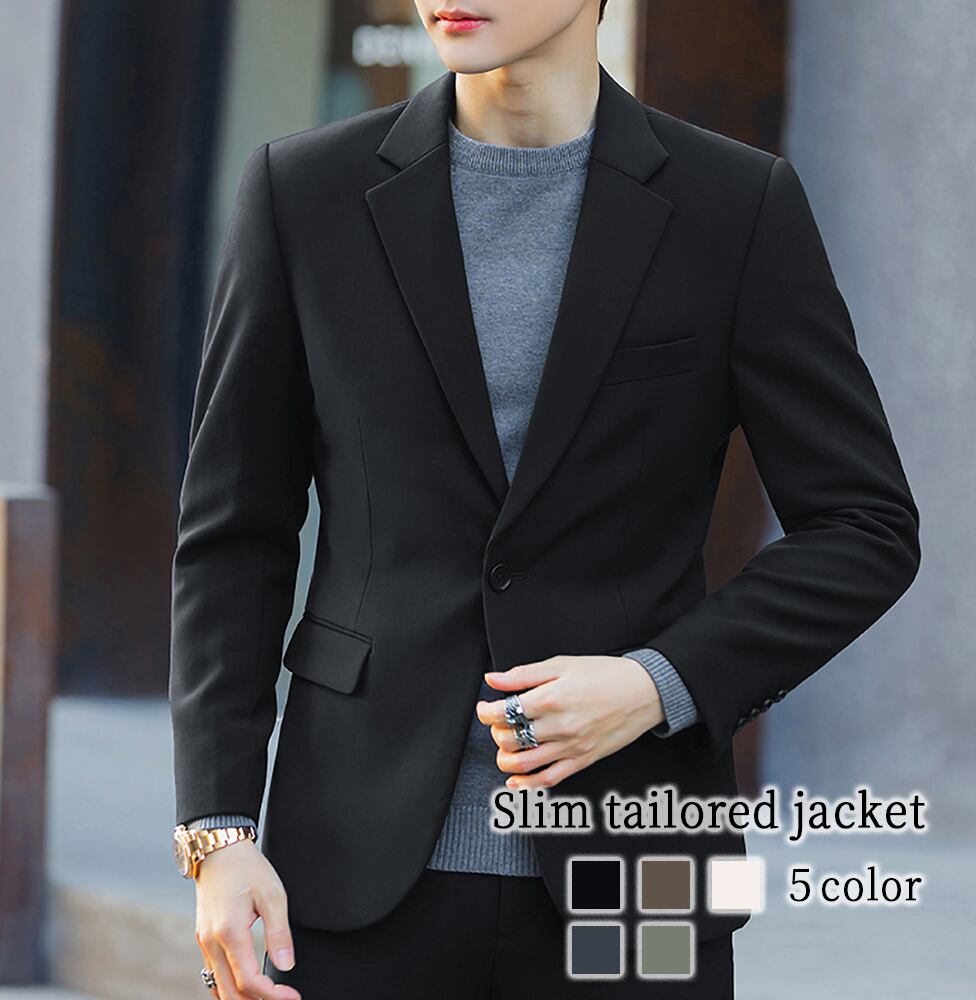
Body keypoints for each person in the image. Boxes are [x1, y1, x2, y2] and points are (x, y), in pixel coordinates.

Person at [167, 1, 920, 997]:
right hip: (348, 864)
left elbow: (865, 525)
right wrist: (218, 832)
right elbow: (233, 536)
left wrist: (658, 682)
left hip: (639, 876)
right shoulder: (302, 193)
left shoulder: (737, 206)